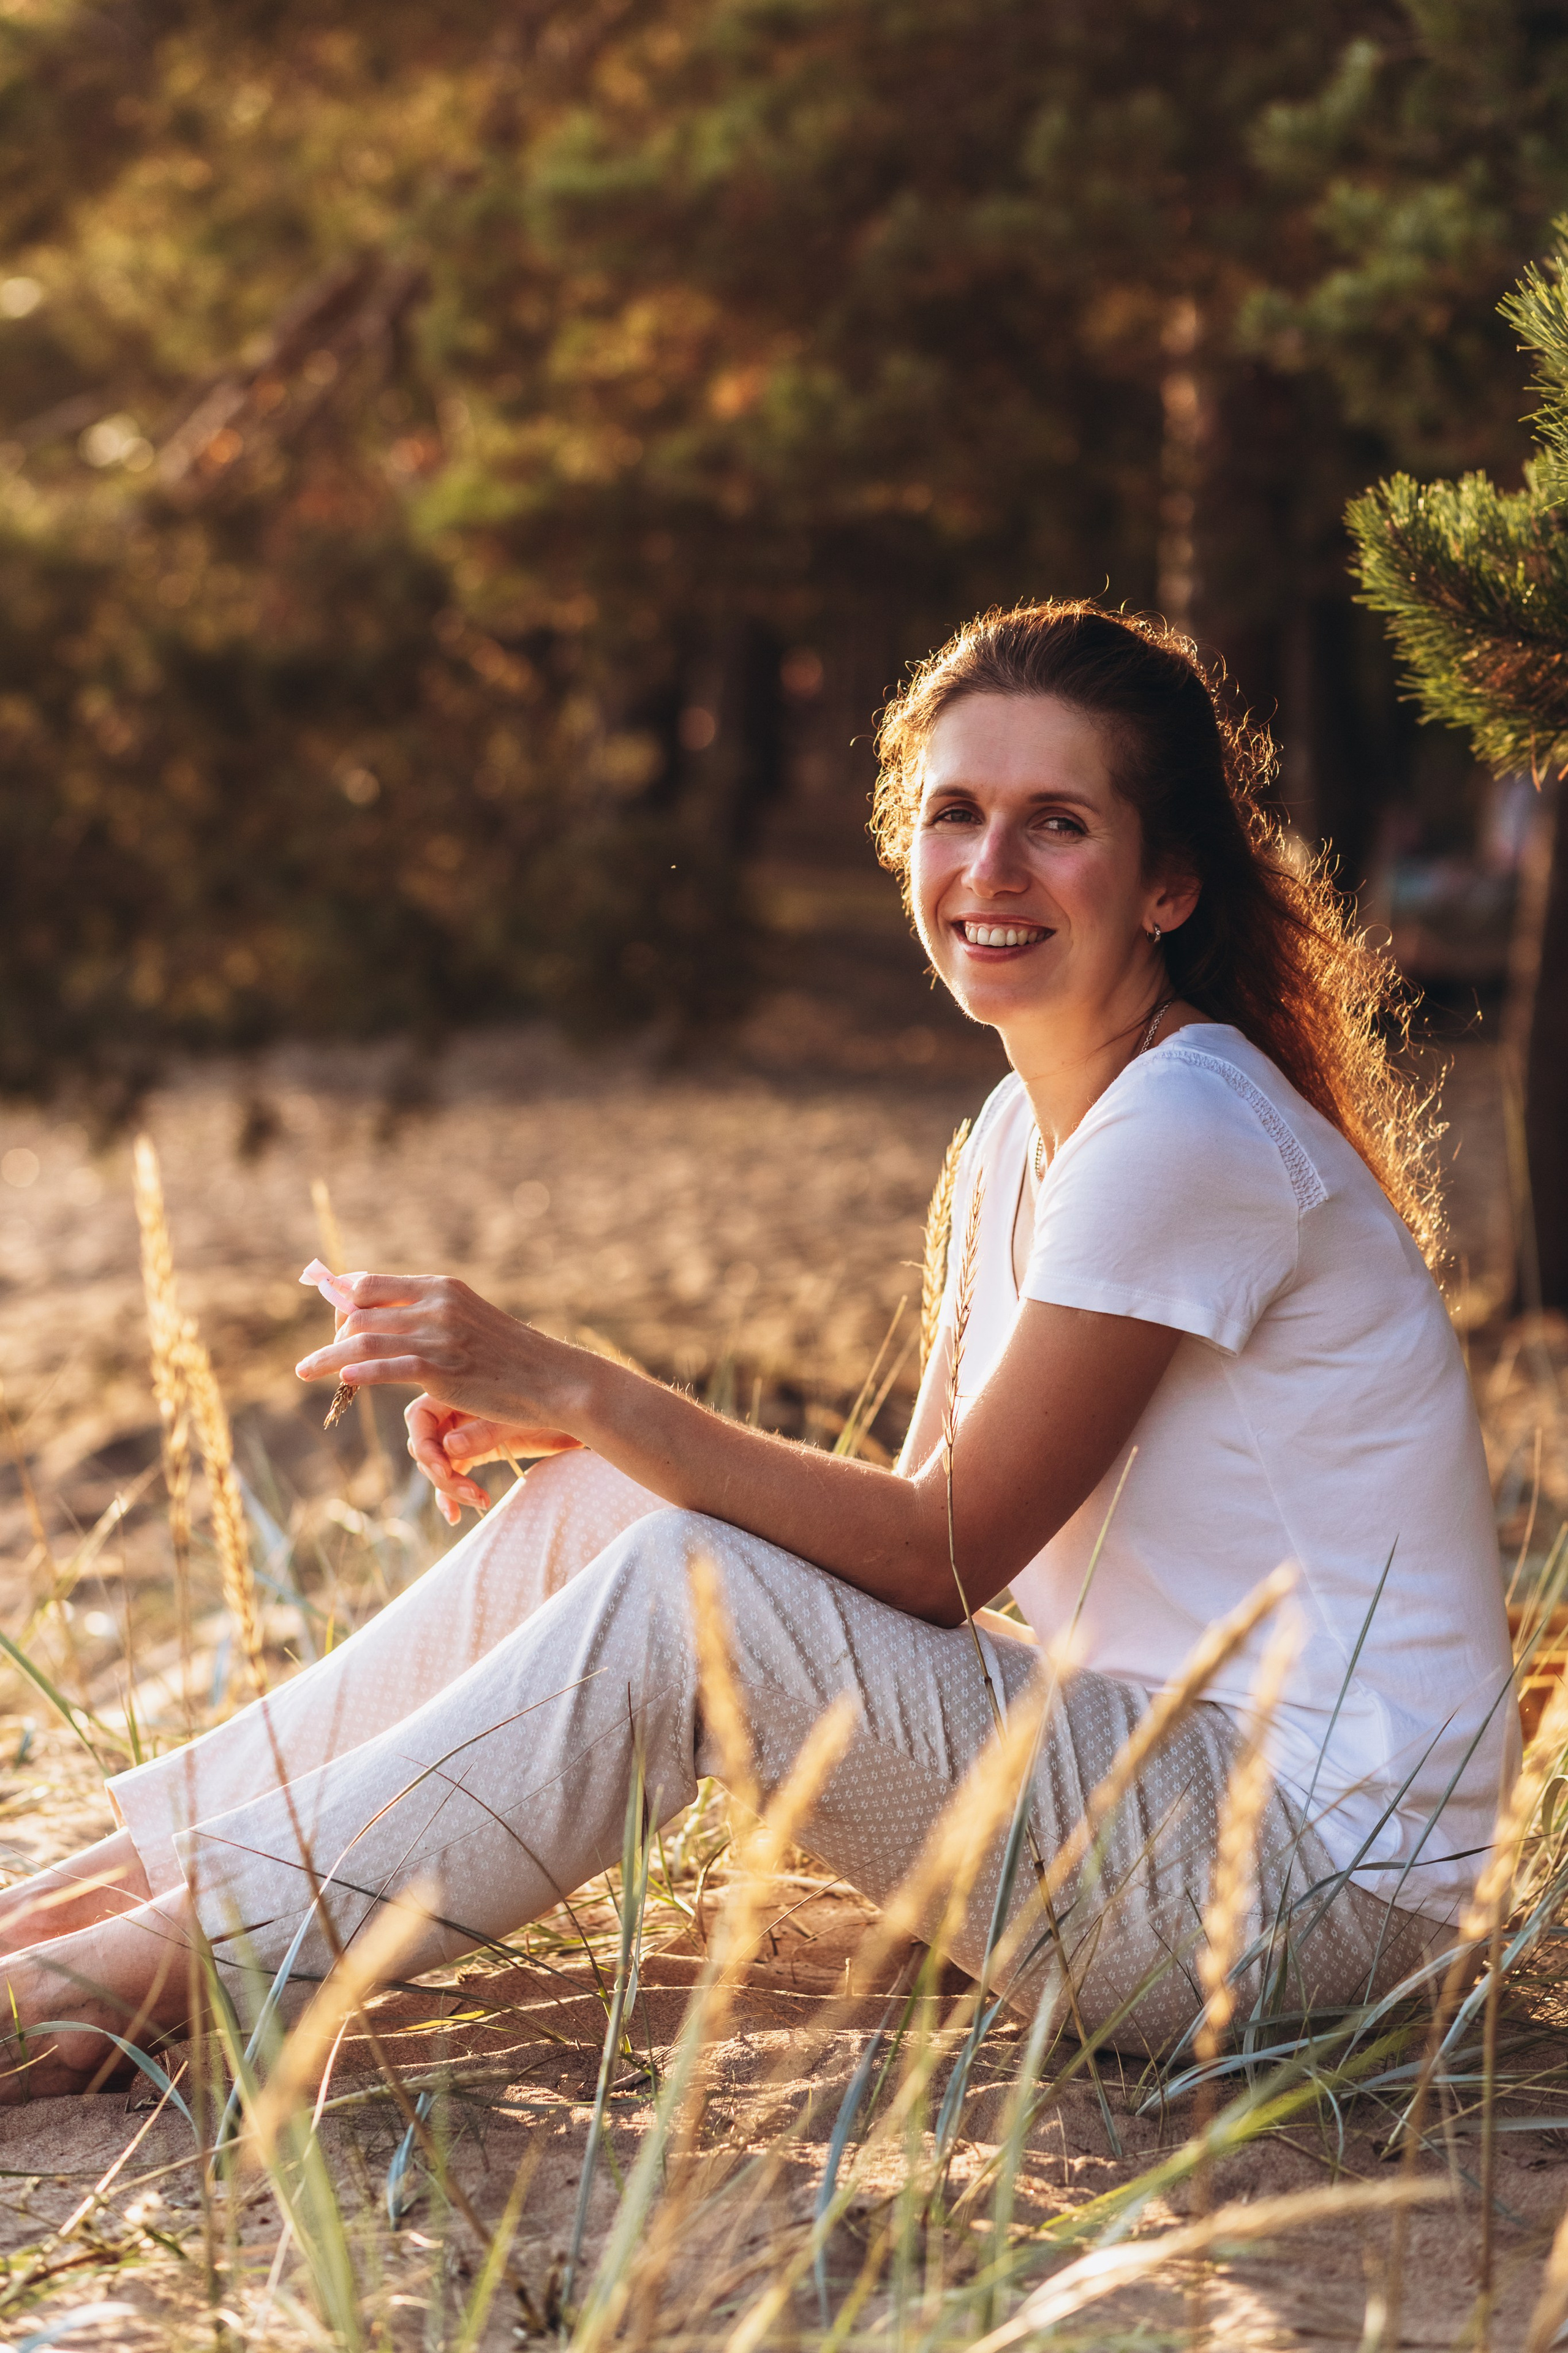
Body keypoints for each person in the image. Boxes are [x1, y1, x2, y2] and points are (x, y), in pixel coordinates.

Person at [0, 601, 1518, 2099]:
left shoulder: (1185, 1125)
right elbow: (913, 1501)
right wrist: (614, 1450)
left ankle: (166, 1955)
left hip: (1317, 1902)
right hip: (1153, 1795)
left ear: (1166, 881)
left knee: (689, 1592)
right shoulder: (1019, 1129)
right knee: (618, 1511)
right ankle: (115, 1887)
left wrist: (577, 1381)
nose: (988, 868)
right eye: (954, 814)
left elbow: (940, 1557)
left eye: (1056, 823)